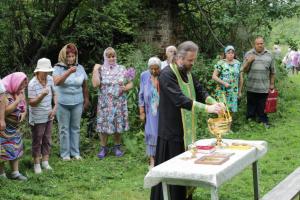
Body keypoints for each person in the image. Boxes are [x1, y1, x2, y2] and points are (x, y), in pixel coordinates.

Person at [150, 41, 225, 200]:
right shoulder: (166, 74)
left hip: (187, 131)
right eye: (190, 60)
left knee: (187, 168)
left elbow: (199, 89)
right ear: (179, 58)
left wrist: (213, 102)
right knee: (174, 171)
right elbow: (180, 99)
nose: (193, 63)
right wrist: (207, 109)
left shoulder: (187, 72)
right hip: (172, 132)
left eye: (193, 60)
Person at [92, 47, 133, 159]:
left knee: (117, 123)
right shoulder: (100, 69)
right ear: (105, 57)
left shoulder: (122, 68)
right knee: (103, 124)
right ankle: (103, 148)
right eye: (109, 56)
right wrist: (95, 70)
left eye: (113, 56)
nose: (111, 58)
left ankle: (117, 147)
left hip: (118, 102)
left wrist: (125, 88)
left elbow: (131, 84)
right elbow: (95, 85)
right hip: (105, 103)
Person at [53, 43, 90, 161]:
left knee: (75, 128)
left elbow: (85, 86)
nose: (70, 58)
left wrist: (86, 100)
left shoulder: (80, 68)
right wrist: (68, 72)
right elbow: (57, 82)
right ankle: (65, 154)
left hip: (77, 102)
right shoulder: (57, 68)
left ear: (75, 56)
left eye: (73, 56)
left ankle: (75, 153)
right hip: (62, 103)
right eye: (68, 56)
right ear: (64, 56)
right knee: (64, 129)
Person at [28, 58, 57, 174]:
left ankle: (45, 162)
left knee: (47, 139)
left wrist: (55, 108)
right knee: (37, 140)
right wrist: (41, 95)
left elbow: (55, 94)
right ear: (38, 71)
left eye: (48, 71)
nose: (46, 73)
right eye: (44, 71)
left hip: (49, 115)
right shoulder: (32, 84)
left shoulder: (50, 79)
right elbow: (31, 103)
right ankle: (36, 164)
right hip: (37, 117)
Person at [241, 36, 276, 128]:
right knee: (251, 105)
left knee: (263, 106)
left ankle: (263, 121)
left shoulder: (269, 55)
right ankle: (250, 121)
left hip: (264, 86)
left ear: (263, 43)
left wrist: (272, 84)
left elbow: (272, 72)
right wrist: (249, 62)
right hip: (251, 86)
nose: (260, 45)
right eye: (258, 44)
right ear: (254, 44)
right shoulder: (249, 54)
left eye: (262, 43)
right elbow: (244, 70)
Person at [0, 72, 28, 180]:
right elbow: (4, 112)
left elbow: (24, 107)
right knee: (2, 151)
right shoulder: (5, 94)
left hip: (14, 129)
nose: (22, 87)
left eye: (24, 84)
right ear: (15, 82)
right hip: (4, 129)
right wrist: (16, 101)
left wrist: (23, 114)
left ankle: (15, 173)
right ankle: (2, 175)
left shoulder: (19, 92)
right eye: (21, 84)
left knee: (15, 149)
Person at [139, 57, 161, 168]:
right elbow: (141, 94)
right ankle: (152, 159)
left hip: (162, 111)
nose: (153, 71)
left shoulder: (164, 76)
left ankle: (160, 158)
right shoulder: (144, 75)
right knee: (151, 133)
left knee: (160, 134)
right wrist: (141, 110)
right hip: (149, 111)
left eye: (156, 69)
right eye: (151, 69)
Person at [212, 45, 242, 113]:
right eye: (229, 53)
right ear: (225, 54)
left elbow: (241, 78)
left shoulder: (237, 63)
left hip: (233, 91)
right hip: (223, 91)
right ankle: (222, 123)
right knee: (222, 109)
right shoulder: (221, 63)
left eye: (232, 53)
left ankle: (229, 123)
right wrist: (224, 83)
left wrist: (239, 91)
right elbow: (214, 76)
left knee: (231, 110)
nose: (231, 54)